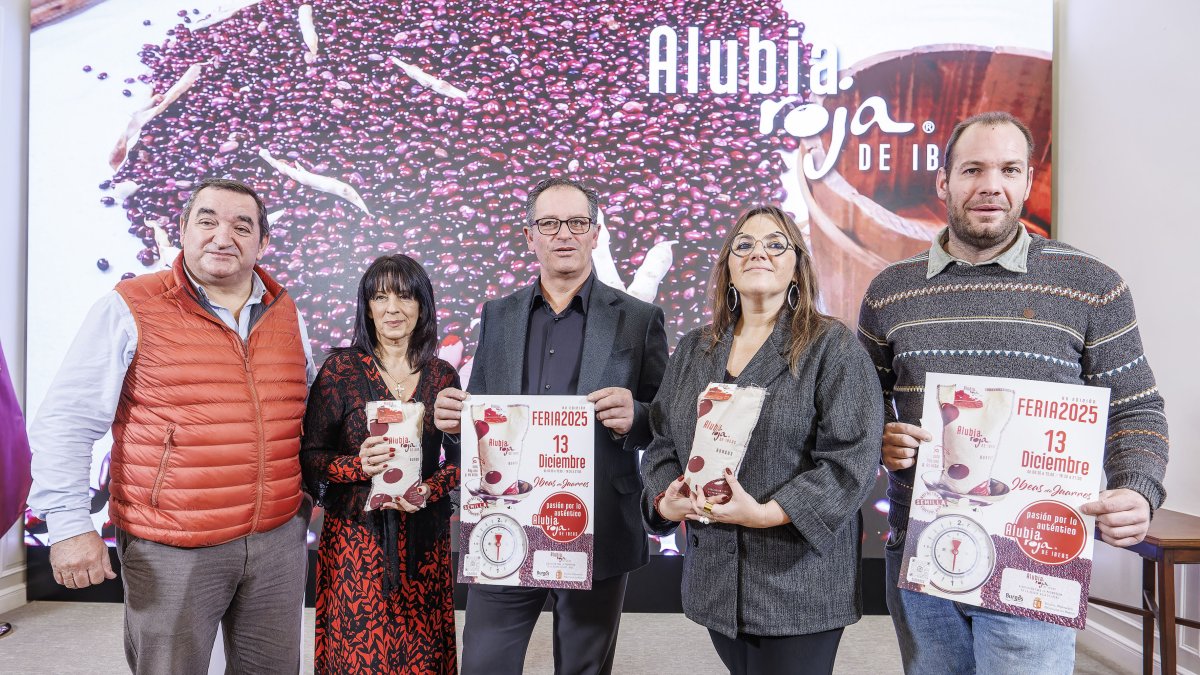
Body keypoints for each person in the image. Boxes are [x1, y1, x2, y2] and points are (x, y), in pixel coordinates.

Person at [857, 111, 1170, 674]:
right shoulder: (889, 293)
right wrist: (883, 437)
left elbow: (1136, 407)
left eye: (1008, 169)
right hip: (924, 548)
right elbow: (860, 407)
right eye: (972, 169)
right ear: (944, 181)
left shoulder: (1091, 285)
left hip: (1038, 552)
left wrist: (1138, 488)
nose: (990, 186)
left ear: (1028, 181)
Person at [27, 178, 316, 674]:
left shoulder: (285, 310)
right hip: (172, 545)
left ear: (262, 242)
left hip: (275, 543)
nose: (223, 236)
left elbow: (302, 413)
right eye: (207, 221)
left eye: (241, 226)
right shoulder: (129, 306)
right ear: (182, 231)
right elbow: (66, 422)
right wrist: (70, 526)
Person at [434, 176, 669, 675]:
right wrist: (456, 423)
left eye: (577, 222)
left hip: (597, 521)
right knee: (483, 664)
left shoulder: (638, 318)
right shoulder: (498, 315)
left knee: (583, 668)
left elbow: (667, 421)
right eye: (549, 223)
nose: (564, 234)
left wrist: (638, 417)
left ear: (596, 233)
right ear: (530, 236)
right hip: (503, 518)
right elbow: (485, 416)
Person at [640, 205, 883, 675]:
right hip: (716, 579)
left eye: (776, 244)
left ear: (797, 268)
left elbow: (850, 460)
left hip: (798, 582)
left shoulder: (832, 347)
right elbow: (663, 442)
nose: (759, 253)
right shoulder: (696, 348)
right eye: (745, 244)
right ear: (728, 267)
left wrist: (767, 513)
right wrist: (665, 501)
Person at [300, 254, 460, 674]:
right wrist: (357, 466)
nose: (393, 308)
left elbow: (461, 464)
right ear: (366, 307)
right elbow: (312, 458)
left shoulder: (442, 375)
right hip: (356, 546)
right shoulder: (340, 371)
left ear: (422, 306)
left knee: (421, 660)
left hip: (423, 544)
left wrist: (429, 489)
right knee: (357, 656)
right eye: (380, 297)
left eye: (405, 297)